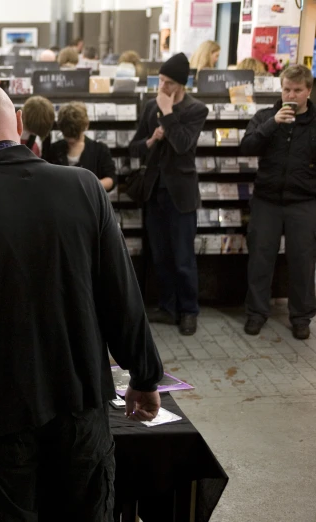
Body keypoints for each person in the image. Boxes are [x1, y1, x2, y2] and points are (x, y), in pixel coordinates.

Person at [0, 83, 163, 520]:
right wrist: (144, 375)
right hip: (80, 400)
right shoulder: (84, 189)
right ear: (19, 124)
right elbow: (121, 294)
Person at [130, 52, 208, 336]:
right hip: (154, 193)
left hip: (181, 194)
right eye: (160, 80)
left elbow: (184, 145)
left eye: (167, 82)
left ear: (180, 84)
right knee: (161, 255)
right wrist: (150, 140)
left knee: (183, 257)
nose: (161, 87)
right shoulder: (151, 107)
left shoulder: (196, 109)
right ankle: (168, 305)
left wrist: (169, 114)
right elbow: (134, 147)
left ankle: (189, 310)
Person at [240, 65, 316, 339]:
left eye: (297, 90)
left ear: (308, 91)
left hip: (303, 202)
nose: (291, 96)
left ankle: (301, 316)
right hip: (267, 200)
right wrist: (273, 123)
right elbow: (247, 145)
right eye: (286, 89)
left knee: (303, 261)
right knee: (260, 258)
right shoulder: (265, 116)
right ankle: (257, 313)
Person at [46, 102, 116, 191]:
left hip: (89, 201)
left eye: (75, 134)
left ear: (85, 126)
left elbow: (111, 178)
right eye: (67, 134)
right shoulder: (54, 149)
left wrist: (89, 186)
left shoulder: (100, 149)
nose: (71, 139)